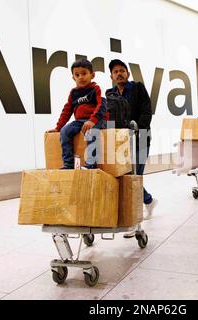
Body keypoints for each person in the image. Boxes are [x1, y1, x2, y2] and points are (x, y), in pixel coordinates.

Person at [106, 59, 157, 235]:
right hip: (121, 141)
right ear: (111, 76)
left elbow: (146, 110)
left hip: (140, 137)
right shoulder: (110, 94)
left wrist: (138, 128)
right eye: (115, 72)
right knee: (127, 177)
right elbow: (109, 116)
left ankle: (135, 222)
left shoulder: (137, 88)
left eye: (122, 70)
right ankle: (148, 201)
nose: (119, 73)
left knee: (135, 176)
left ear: (127, 73)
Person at [47, 59, 108, 169]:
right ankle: (68, 164)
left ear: (92, 75)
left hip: (98, 120)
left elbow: (102, 106)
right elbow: (67, 110)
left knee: (90, 131)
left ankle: (91, 164)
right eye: (77, 75)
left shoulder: (97, 88)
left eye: (84, 73)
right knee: (65, 131)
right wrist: (58, 127)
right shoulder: (73, 93)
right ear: (73, 77)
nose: (81, 77)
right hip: (80, 121)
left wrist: (92, 121)